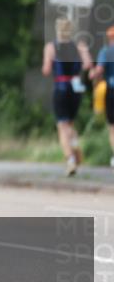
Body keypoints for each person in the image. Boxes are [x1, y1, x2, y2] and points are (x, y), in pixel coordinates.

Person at [42, 18, 92, 176]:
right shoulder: (78, 46)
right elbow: (88, 64)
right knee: (69, 124)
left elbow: (46, 70)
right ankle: (75, 145)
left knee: (62, 127)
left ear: (57, 30)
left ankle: (70, 160)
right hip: (75, 88)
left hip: (61, 87)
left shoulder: (51, 47)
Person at [91, 26, 114, 168]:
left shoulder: (105, 52)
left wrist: (92, 75)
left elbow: (98, 71)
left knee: (112, 126)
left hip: (112, 90)